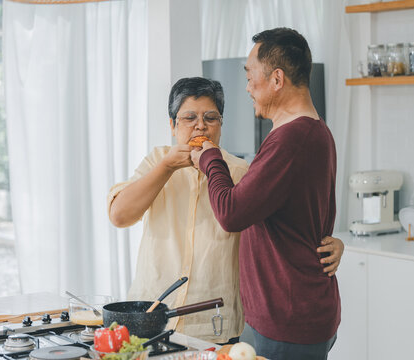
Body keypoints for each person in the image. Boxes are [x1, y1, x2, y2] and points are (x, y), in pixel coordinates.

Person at [108, 77, 343, 344]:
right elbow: (119, 215)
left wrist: (333, 243)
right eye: (189, 118)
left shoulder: (241, 171)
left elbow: (284, 228)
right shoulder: (156, 161)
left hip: (215, 321)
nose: (200, 126)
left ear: (221, 125)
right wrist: (167, 167)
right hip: (151, 317)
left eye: (211, 118)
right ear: (172, 125)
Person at [191, 28, 340, 359]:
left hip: (287, 320)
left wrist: (209, 158)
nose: (246, 87)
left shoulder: (291, 140)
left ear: (276, 79)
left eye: (250, 76)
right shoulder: (315, 131)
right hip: (295, 313)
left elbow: (231, 213)